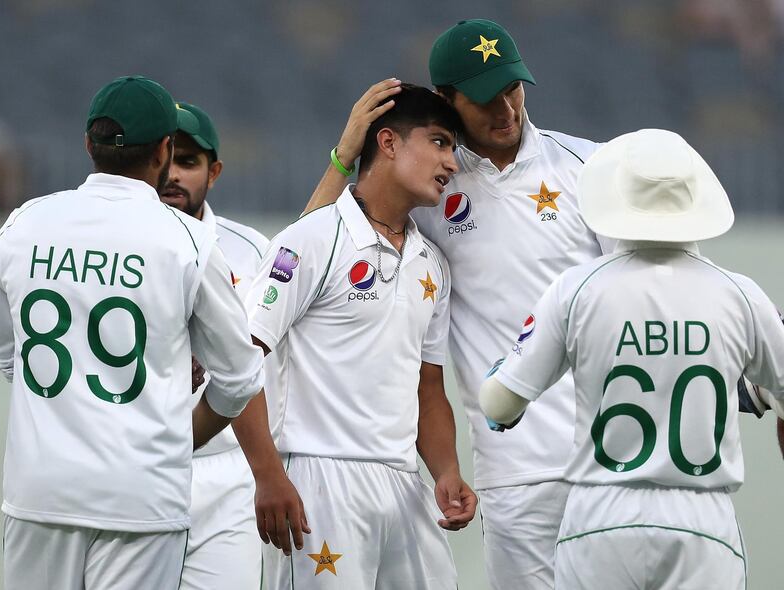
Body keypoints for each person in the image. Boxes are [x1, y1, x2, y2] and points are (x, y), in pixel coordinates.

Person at [304, 19, 611, 588]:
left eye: (513, 90)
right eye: (485, 98)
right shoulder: (429, 184)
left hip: (609, 460)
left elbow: (641, 289)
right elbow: (304, 255)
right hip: (514, 470)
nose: (506, 110)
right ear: (447, 100)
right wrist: (346, 155)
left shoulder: (592, 167)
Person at [0, 76, 266, 590]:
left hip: (39, 490)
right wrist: (182, 437)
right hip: (141, 496)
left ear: (88, 143)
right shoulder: (188, 239)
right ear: (164, 149)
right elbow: (241, 378)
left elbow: (9, 358)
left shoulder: (23, 223)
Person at [479, 128, 784, 588]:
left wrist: (498, 375)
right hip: (704, 525)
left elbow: (500, 406)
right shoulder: (742, 296)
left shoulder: (575, 290)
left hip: (598, 521)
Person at [245, 84, 477, 589]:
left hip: (403, 484)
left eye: (453, 148)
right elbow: (240, 361)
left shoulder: (433, 263)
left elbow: (428, 386)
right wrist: (268, 475)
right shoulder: (310, 240)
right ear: (389, 143)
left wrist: (445, 470)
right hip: (317, 482)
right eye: (439, 142)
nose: (451, 163)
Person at [159, 101, 279, 589]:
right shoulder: (124, 243)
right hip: (142, 465)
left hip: (229, 473)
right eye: (165, 160)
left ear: (215, 171)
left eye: (188, 162)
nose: (173, 175)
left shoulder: (250, 248)